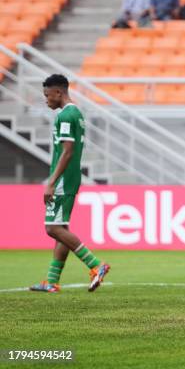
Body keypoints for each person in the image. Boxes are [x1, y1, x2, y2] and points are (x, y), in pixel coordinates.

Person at [30, 74, 111, 293]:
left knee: (52, 228)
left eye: (47, 95)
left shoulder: (66, 115)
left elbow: (67, 151)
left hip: (64, 178)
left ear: (59, 93)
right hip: (71, 176)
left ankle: (96, 265)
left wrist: (51, 182)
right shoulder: (76, 112)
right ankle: (52, 282)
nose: (46, 100)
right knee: (61, 227)